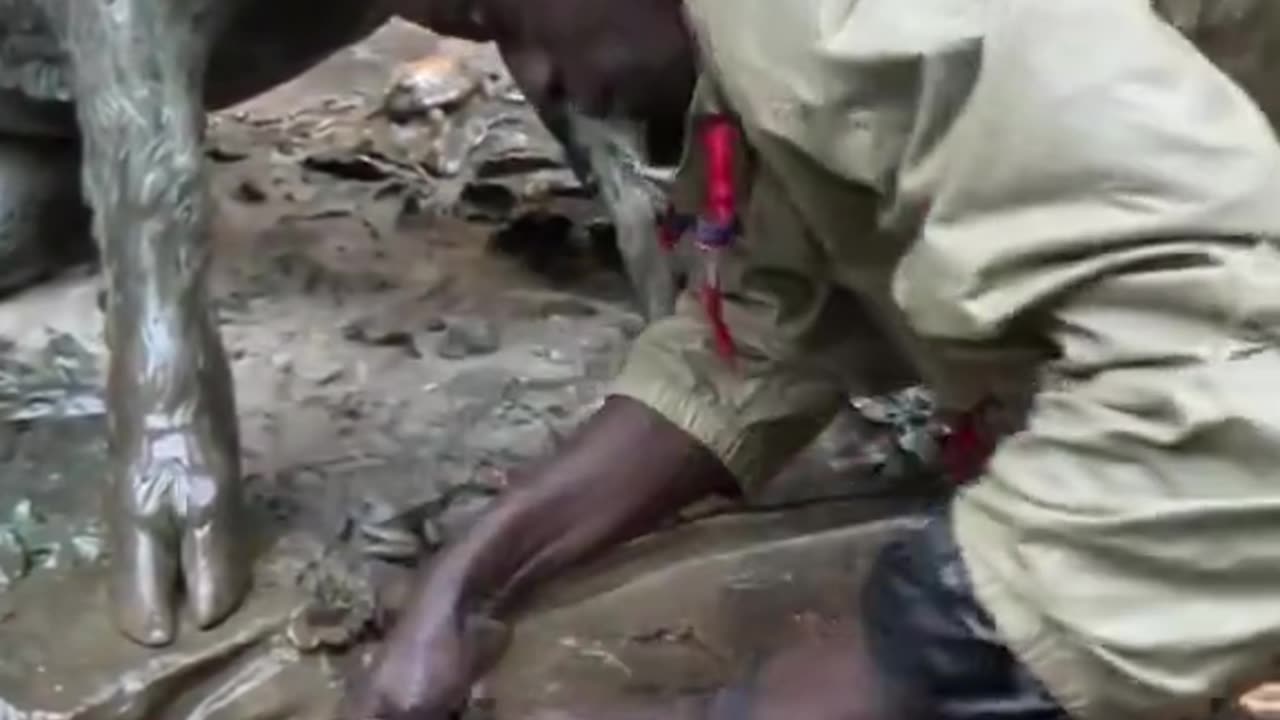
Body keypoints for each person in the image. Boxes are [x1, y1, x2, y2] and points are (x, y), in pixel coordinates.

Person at [349, 0, 1280, 718]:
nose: (537, 80)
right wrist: (471, 578)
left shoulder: (833, 22)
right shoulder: (752, 56)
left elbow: (1243, 368)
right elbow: (766, 328)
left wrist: (918, 652)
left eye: (502, 15)